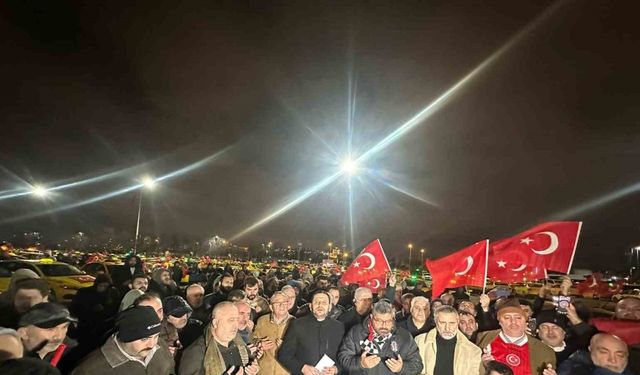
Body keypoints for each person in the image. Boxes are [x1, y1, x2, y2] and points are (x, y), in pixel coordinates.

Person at [70, 305, 174, 374]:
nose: (152, 344)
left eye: (156, 336)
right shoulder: (90, 370)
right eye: (144, 339)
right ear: (125, 337)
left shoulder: (160, 346)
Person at [338, 300, 423, 375]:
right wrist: (360, 363)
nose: (384, 325)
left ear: (393, 318)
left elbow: (417, 365)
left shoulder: (404, 336)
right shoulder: (356, 332)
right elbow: (343, 357)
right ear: (371, 317)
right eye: (379, 321)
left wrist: (402, 368)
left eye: (388, 321)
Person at [476, 298, 557, 375]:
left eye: (518, 317)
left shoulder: (545, 352)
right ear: (499, 321)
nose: (513, 322)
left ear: (525, 321)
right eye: (507, 318)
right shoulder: (484, 339)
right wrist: (482, 365)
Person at [179, 301, 260, 375]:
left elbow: (249, 362)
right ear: (215, 323)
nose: (236, 325)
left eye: (237, 319)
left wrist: (253, 369)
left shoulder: (239, 344)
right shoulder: (196, 352)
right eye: (231, 320)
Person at [279, 291, 343, 375]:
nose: (320, 305)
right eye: (316, 302)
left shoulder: (339, 327)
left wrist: (336, 369)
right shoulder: (297, 325)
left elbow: (344, 356)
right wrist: (302, 368)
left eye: (324, 302)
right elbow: (284, 355)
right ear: (310, 306)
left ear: (330, 307)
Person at [415, 305, 482, 375]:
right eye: (442, 323)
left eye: (452, 323)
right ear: (435, 321)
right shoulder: (420, 342)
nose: (447, 328)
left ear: (458, 322)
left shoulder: (473, 351)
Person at [17, 303, 78, 371]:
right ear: (23, 333)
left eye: (64, 327)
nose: (59, 336)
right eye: (50, 329)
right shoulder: (7, 359)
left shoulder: (73, 354)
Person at [254, 291, 295, 375]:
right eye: (277, 303)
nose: (281, 306)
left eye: (284, 302)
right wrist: (259, 343)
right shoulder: (262, 320)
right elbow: (252, 339)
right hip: (264, 371)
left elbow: (302, 350)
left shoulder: (295, 323)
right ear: (271, 307)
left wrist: (287, 348)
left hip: (285, 371)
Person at [557, 333, 636, 375]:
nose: (612, 360)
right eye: (604, 352)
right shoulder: (573, 369)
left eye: (620, 355)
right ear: (590, 350)